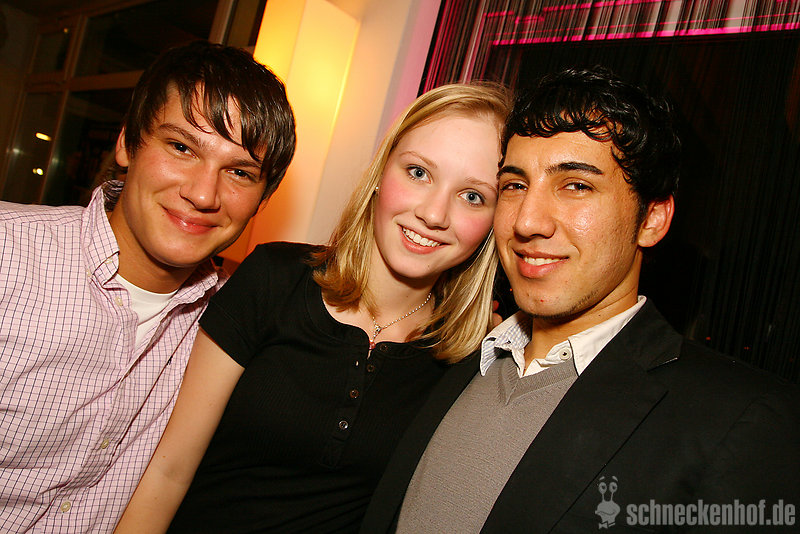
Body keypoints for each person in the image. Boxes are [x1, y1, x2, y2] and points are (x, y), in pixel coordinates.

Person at [360, 67, 800, 533]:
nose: (528, 221)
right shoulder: (457, 360)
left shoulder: (741, 419)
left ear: (651, 219)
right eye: (515, 186)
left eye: (576, 186)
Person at [113, 82, 512, 533]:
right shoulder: (273, 279)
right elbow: (168, 472)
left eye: (473, 196)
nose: (434, 214)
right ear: (381, 174)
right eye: (418, 172)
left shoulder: (469, 357)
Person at [0, 41, 295, 533]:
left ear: (262, 200)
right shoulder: (9, 255)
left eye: (240, 172)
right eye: (182, 148)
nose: (203, 193)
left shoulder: (236, 318)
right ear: (126, 143)